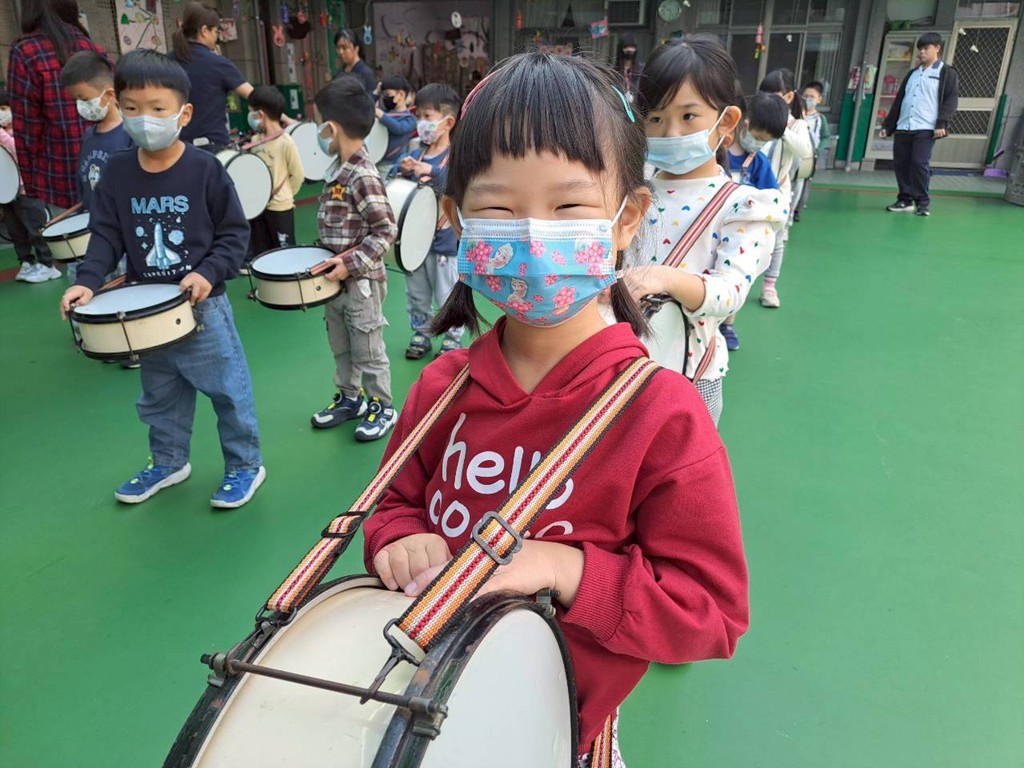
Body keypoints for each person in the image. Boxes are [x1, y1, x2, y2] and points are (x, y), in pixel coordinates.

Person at [362, 52, 749, 768]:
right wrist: (398, 538)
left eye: (569, 207)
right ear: (456, 218)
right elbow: (392, 505)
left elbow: (710, 613)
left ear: (627, 218)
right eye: (498, 209)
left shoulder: (662, 415)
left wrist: (566, 568)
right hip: (429, 712)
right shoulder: (441, 386)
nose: (534, 235)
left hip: (564, 735)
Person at [59, 50, 266, 509]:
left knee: (228, 391)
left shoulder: (205, 169)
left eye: (157, 109)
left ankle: (245, 464)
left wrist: (208, 272)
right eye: (132, 108)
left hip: (203, 310)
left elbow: (235, 234)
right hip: (146, 312)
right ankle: (169, 461)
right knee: (159, 396)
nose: (144, 119)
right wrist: (87, 281)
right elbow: (106, 234)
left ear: (183, 113)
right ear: (118, 105)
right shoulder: (118, 171)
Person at [634, 37, 784, 424]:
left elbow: (729, 293)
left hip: (690, 375)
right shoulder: (634, 191)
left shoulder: (742, 206)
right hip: (623, 368)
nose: (670, 133)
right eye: (656, 119)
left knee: (684, 462)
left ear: (727, 122)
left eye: (688, 116)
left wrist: (663, 278)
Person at [310, 75, 399, 442]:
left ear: (331, 128)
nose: (318, 134)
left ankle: (383, 405)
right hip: (335, 284)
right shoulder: (337, 171)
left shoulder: (362, 175)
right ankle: (351, 398)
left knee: (368, 347)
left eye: (319, 125)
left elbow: (386, 230)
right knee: (342, 345)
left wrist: (348, 263)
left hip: (361, 283)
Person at [7, 0, 109, 280]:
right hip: (108, 167)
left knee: (78, 255)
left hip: (61, 173)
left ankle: (84, 304)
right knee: (115, 248)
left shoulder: (25, 52)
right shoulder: (93, 48)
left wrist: (30, 184)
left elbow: (26, 128)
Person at [388, 83, 463, 360]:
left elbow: (460, 186)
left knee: (446, 292)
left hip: (443, 241)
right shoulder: (415, 150)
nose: (421, 123)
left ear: (448, 122)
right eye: (418, 116)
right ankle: (421, 332)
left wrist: (431, 170)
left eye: (428, 117)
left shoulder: (456, 155)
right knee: (416, 292)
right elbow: (393, 178)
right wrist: (401, 168)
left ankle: (452, 337)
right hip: (413, 240)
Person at [59, 50, 134, 285]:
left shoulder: (130, 135)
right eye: (76, 100)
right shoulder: (88, 136)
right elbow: (84, 188)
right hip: (94, 235)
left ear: (109, 94)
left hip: (123, 238)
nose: (80, 106)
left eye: (84, 98)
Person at [720, 89, 788, 351]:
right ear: (745, 124)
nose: (760, 144)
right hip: (715, 223)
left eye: (765, 142)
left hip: (741, 234)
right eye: (758, 138)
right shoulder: (719, 151)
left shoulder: (759, 162)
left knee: (735, 277)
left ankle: (728, 323)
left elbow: (772, 197)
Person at [880, 32, 959, 218]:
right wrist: (888, 126)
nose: (921, 52)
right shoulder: (912, 74)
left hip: (926, 127)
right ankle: (905, 199)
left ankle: (922, 203)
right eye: (920, 49)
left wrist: (942, 123)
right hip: (904, 126)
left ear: (937, 48)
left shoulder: (947, 72)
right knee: (901, 164)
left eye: (926, 48)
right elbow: (900, 100)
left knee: (918, 163)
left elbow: (951, 100)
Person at [756, 68, 813, 309]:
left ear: (788, 97)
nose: (767, 99)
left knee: (777, 240)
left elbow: (804, 150)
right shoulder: (756, 117)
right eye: (764, 94)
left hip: (778, 191)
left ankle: (769, 286)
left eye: (774, 95)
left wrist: (782, 129)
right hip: (752, 191)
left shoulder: (797, 124)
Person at [169, 1, 254, 152]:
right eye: (216, 31)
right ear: (204, 31)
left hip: (174, 148)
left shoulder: (165, 62)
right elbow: (253, 95)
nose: (216, 37)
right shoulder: (219, 64)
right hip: (212, 147)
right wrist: (285, 119)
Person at [0, 89, 60, 283]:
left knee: (36, 228)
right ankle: (26, 262)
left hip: (28, 190)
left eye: (4, 108)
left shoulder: (23, 130)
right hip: (7, 193)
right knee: (16, 231)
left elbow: (17, 150)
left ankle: (48, 264)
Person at [244, 85, 304, 258]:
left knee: (284, 253)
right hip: (258, 207)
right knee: (262, 254)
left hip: (280, 208)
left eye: (252, 112)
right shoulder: (255, 140)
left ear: (261, 114)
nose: (250, 116)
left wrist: (285, 195)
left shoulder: (286, 142)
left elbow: (297, 175)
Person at [792, 80, 831, 222]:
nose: (808, 99)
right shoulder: (796, 116)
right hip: (796, 153)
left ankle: (797, 209)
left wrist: (818, 151)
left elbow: (826, 136)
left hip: (810, 157)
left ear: (819, 99)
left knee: (805, 182)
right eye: (805, 96)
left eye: (812, 97)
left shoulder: (820, 119)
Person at [376, 76, 417, 167]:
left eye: (388, 94)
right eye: (383, 95)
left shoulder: (410, 119)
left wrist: (381, 115)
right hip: (376, 160)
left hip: (392, 164)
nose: (385, 98)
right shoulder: (385, 113)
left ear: (401, 95)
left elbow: (399, 128)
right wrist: (376, 94)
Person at [334, 29, 377, 97]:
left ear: (356, 49)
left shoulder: (366, 74)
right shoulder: (339, 73)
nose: (340, 52)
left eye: (344, 48)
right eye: (338, 48)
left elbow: (371, 99)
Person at [614, 34, 644, 98]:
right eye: (626, 47)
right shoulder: (614, 71)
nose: (629, 49)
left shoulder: (641, 70)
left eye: (632, 47)